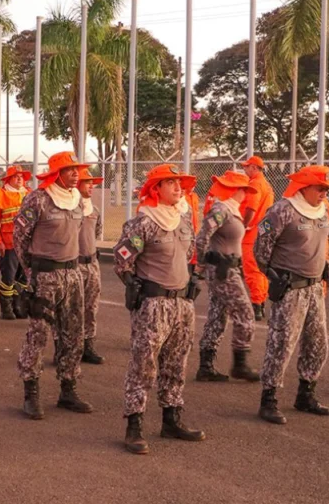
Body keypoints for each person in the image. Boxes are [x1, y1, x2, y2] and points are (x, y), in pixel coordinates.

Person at [113, 164, 205, 454]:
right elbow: (122, 259)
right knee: (143, 365)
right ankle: (134, 426)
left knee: (177, 363)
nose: (179, 188)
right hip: (153, 305)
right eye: (171, 183)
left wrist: (192, 280)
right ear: (156, 189)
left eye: (180, 183)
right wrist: (135, 286)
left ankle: (171, 419)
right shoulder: (143, 223)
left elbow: (189, 255)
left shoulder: (183, 220)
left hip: (182, 304)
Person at [254, 165, 329, 425]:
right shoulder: (282, 210)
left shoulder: (324, 210)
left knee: (317, 343)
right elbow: (261, 249)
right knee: (281, 344)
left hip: (315, 288)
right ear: (304, 187)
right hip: (291, 288)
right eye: (320, 188)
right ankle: (269, 399)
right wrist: (274, 275)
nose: (324, 193)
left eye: (326, 189)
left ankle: (306, 394)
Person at [15, 151, 92, 420]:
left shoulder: (77, 200)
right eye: (70, 169)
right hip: (45, 276)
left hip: (72, 274)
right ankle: (31, 393)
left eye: (77, 169)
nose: (76, 174)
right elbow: (20, 237)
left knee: (73, 333)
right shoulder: (38, 199)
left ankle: (68, 389)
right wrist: (32, 271)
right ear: (57, 173)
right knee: (38, 335)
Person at [195, 170, 259, 382]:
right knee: (245, 313)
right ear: (234, 189)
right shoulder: (221, 210)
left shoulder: (231, 210)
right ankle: (240, 364)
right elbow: (202, 237)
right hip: (223, 270)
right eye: (243, 189)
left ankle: (206, 366)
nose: (245, 194)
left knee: (218, 315)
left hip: (228, 269)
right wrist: (204, 263)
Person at [0, 165, 31, 320]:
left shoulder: (29, 194)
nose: (20, 179)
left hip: (26, 244)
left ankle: (17, 304)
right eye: (16, 176)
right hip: (9, 244)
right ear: (8, 179)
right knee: (8, 277)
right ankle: (6, 307)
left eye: (21, 176)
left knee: (24, 278)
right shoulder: (1, 195)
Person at [75, 167, 105, 364]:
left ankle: (88, 346)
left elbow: (96, 233)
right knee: (71, 308)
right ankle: (67, 348)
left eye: (92, 183)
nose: (91, 186)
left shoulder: (94, 211)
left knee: (91, 308)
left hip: (92, 264)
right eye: (87, 182)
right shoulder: (69, 208)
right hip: (73, 265)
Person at [241, 156, 276, 320]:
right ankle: (260, 301)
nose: (244, 170)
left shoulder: (255, 184)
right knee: (261, 270)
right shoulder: (267, 185)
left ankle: (257, 305)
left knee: (252, 271)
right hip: (263, 231)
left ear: (254, 168)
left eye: (247, 167)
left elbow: (251, 208)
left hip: (251, 233)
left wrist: (243, 226)